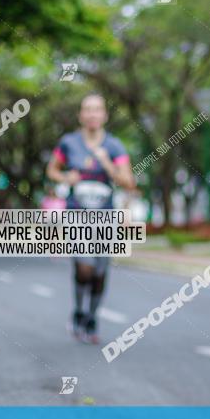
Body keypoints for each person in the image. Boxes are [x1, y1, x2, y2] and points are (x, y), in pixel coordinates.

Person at [46, 93, 135, 344]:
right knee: (84, 268)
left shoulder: (114, 146)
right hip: (77, 214)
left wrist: (107, 164)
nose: (92, 114)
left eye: (97, 109)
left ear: (104, 115)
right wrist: (65, 178)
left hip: (105, 217)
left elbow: (128, 182)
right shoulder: (69, 143)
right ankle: (78, 310)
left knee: (99, 272)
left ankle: (91, 316)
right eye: (87, 109)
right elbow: (51, 169)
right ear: (81, 115)